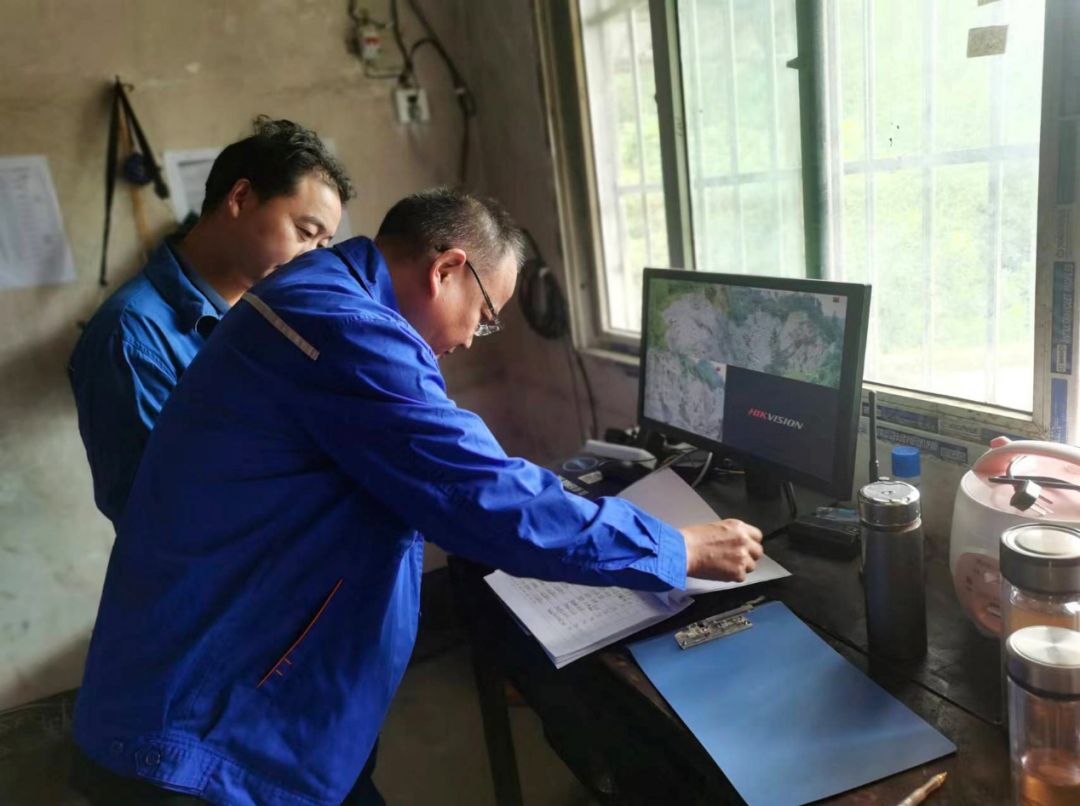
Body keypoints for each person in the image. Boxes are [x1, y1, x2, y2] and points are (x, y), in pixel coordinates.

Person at [71, 188, 764, 805]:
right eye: (486, 315)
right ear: (447, 269)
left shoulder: (320, 290)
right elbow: (478, 494)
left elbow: (456, 471)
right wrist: (675, 547)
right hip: (212, 724)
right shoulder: (345, 328)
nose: (470, 340)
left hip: (250, 682)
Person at [68, 116, 353, 528]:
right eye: (305, 232)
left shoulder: (272, 315)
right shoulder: (131, 336)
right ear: (240, 197)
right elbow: (158, 509)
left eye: (323, 245)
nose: (312, 260)